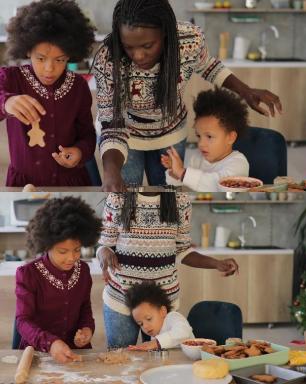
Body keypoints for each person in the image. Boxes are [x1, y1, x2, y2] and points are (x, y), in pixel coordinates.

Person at [94, 0, 281, 190]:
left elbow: (207, 65)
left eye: (148, 45)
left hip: (170, 133)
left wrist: (245, 91)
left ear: (166, 32)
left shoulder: (189, 39)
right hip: (124, 137)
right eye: (129, 47)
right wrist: (110, 172)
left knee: (168, 195)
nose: (138, 55)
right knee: (127, 197)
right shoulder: (107, 59)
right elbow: (111, 121)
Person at [97, 192, 238, 348]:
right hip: (120, 298)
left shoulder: (180, 200)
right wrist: (103, 252)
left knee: (159, 362)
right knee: (120, 360)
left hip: (161, 305)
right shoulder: (119, 197)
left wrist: (216, 263)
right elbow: (105, 244)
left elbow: (182, 249)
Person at [0, 0, 96, 186]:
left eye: (60, 60)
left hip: (72, 182)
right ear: (28, 50)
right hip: (24, 185)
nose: (49, 69)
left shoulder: (78, 87)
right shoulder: (11, 78)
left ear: (70, 54)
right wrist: (5, 102)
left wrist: (80, 151)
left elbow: (88, 135)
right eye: (41, 58)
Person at [16, 197, 102, 363]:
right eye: (63, 251)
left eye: (77, 250)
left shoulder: (83, 270)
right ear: (46, 245)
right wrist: (51, 343)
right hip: (39, 354)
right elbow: (22, 321)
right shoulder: (28, 274)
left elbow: (85, 309)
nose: (71, 258)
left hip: (76, 353)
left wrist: (86, 330)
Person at [163, 87, 249, 190]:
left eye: (209, 136)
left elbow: (217, 186)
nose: (201, 144)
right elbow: (181, 186)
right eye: (199, 136)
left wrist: (182, 172)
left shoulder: (239, 163)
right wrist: (174, 171)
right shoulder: (196, 157)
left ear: (231, 137)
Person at [126, 281, 194, 350]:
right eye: (141, 324)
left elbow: (184, 332)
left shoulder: (173, 317)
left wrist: (156, 343)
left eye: (149, 319)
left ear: (162, 311)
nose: (145, 326)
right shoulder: (155, 333)